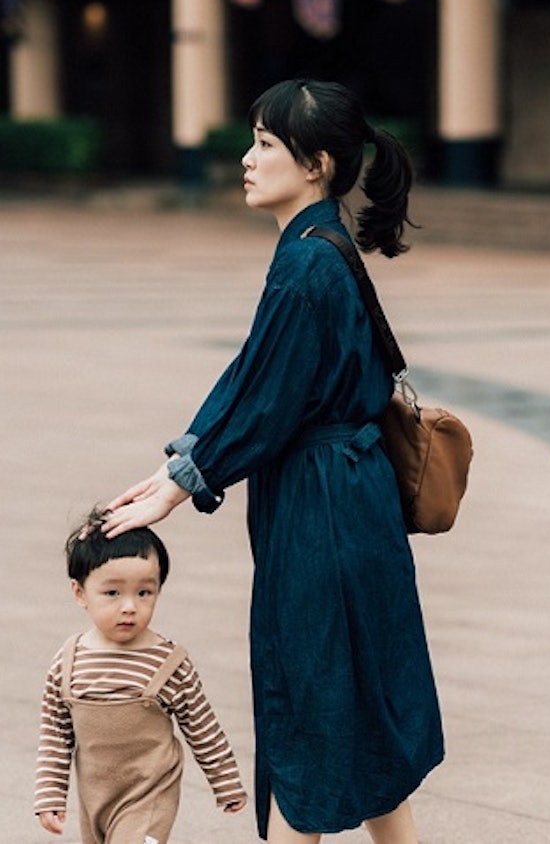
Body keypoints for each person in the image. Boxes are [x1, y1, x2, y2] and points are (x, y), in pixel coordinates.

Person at [100, 79, 444, 843]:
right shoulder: (320, 249)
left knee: (308, 709)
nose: (247, 160)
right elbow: (256, 378)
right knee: (361, 707)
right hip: (353, 503)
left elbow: (264, 400)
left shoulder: (307, 265)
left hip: (322, 515)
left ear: (317, 164)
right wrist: (179, 466)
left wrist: (179, 484)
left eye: (264, 144)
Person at [35, 509, 248, 842]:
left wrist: (226, 782)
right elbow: (55, 734)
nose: (129, 606)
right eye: (112, 593)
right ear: (80, 593)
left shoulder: (168, 663)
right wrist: (50, 793)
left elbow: (202, 726)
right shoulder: (68, 662)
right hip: (96, 797)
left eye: (144, 593)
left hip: (151, 793)